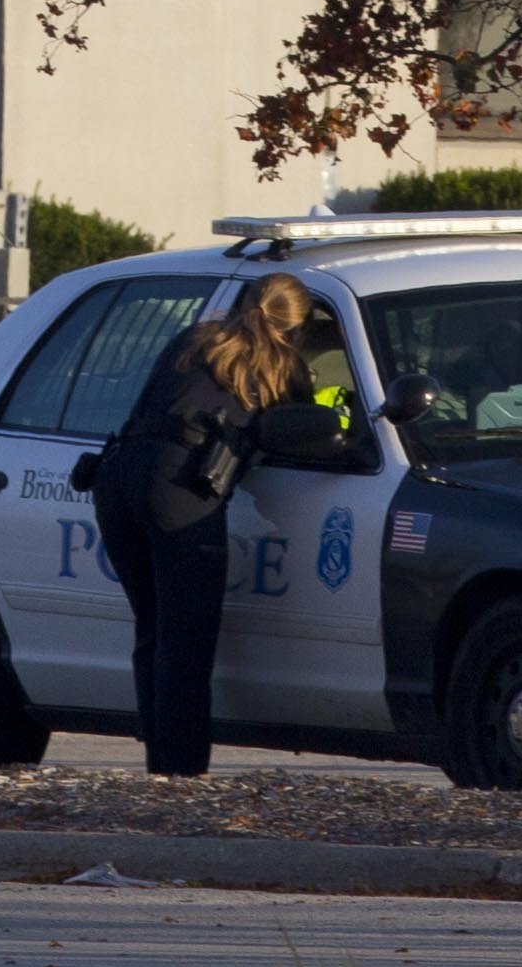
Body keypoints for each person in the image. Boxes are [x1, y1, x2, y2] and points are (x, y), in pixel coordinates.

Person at [87, 273, 360, 776]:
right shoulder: (280, 368)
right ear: (297, 330)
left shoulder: (193, 340)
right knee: (185, 646)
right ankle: (182, 778)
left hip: (116, 479)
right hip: (180, 493)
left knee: (154, 635)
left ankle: (162, 772)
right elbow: (310, 433)